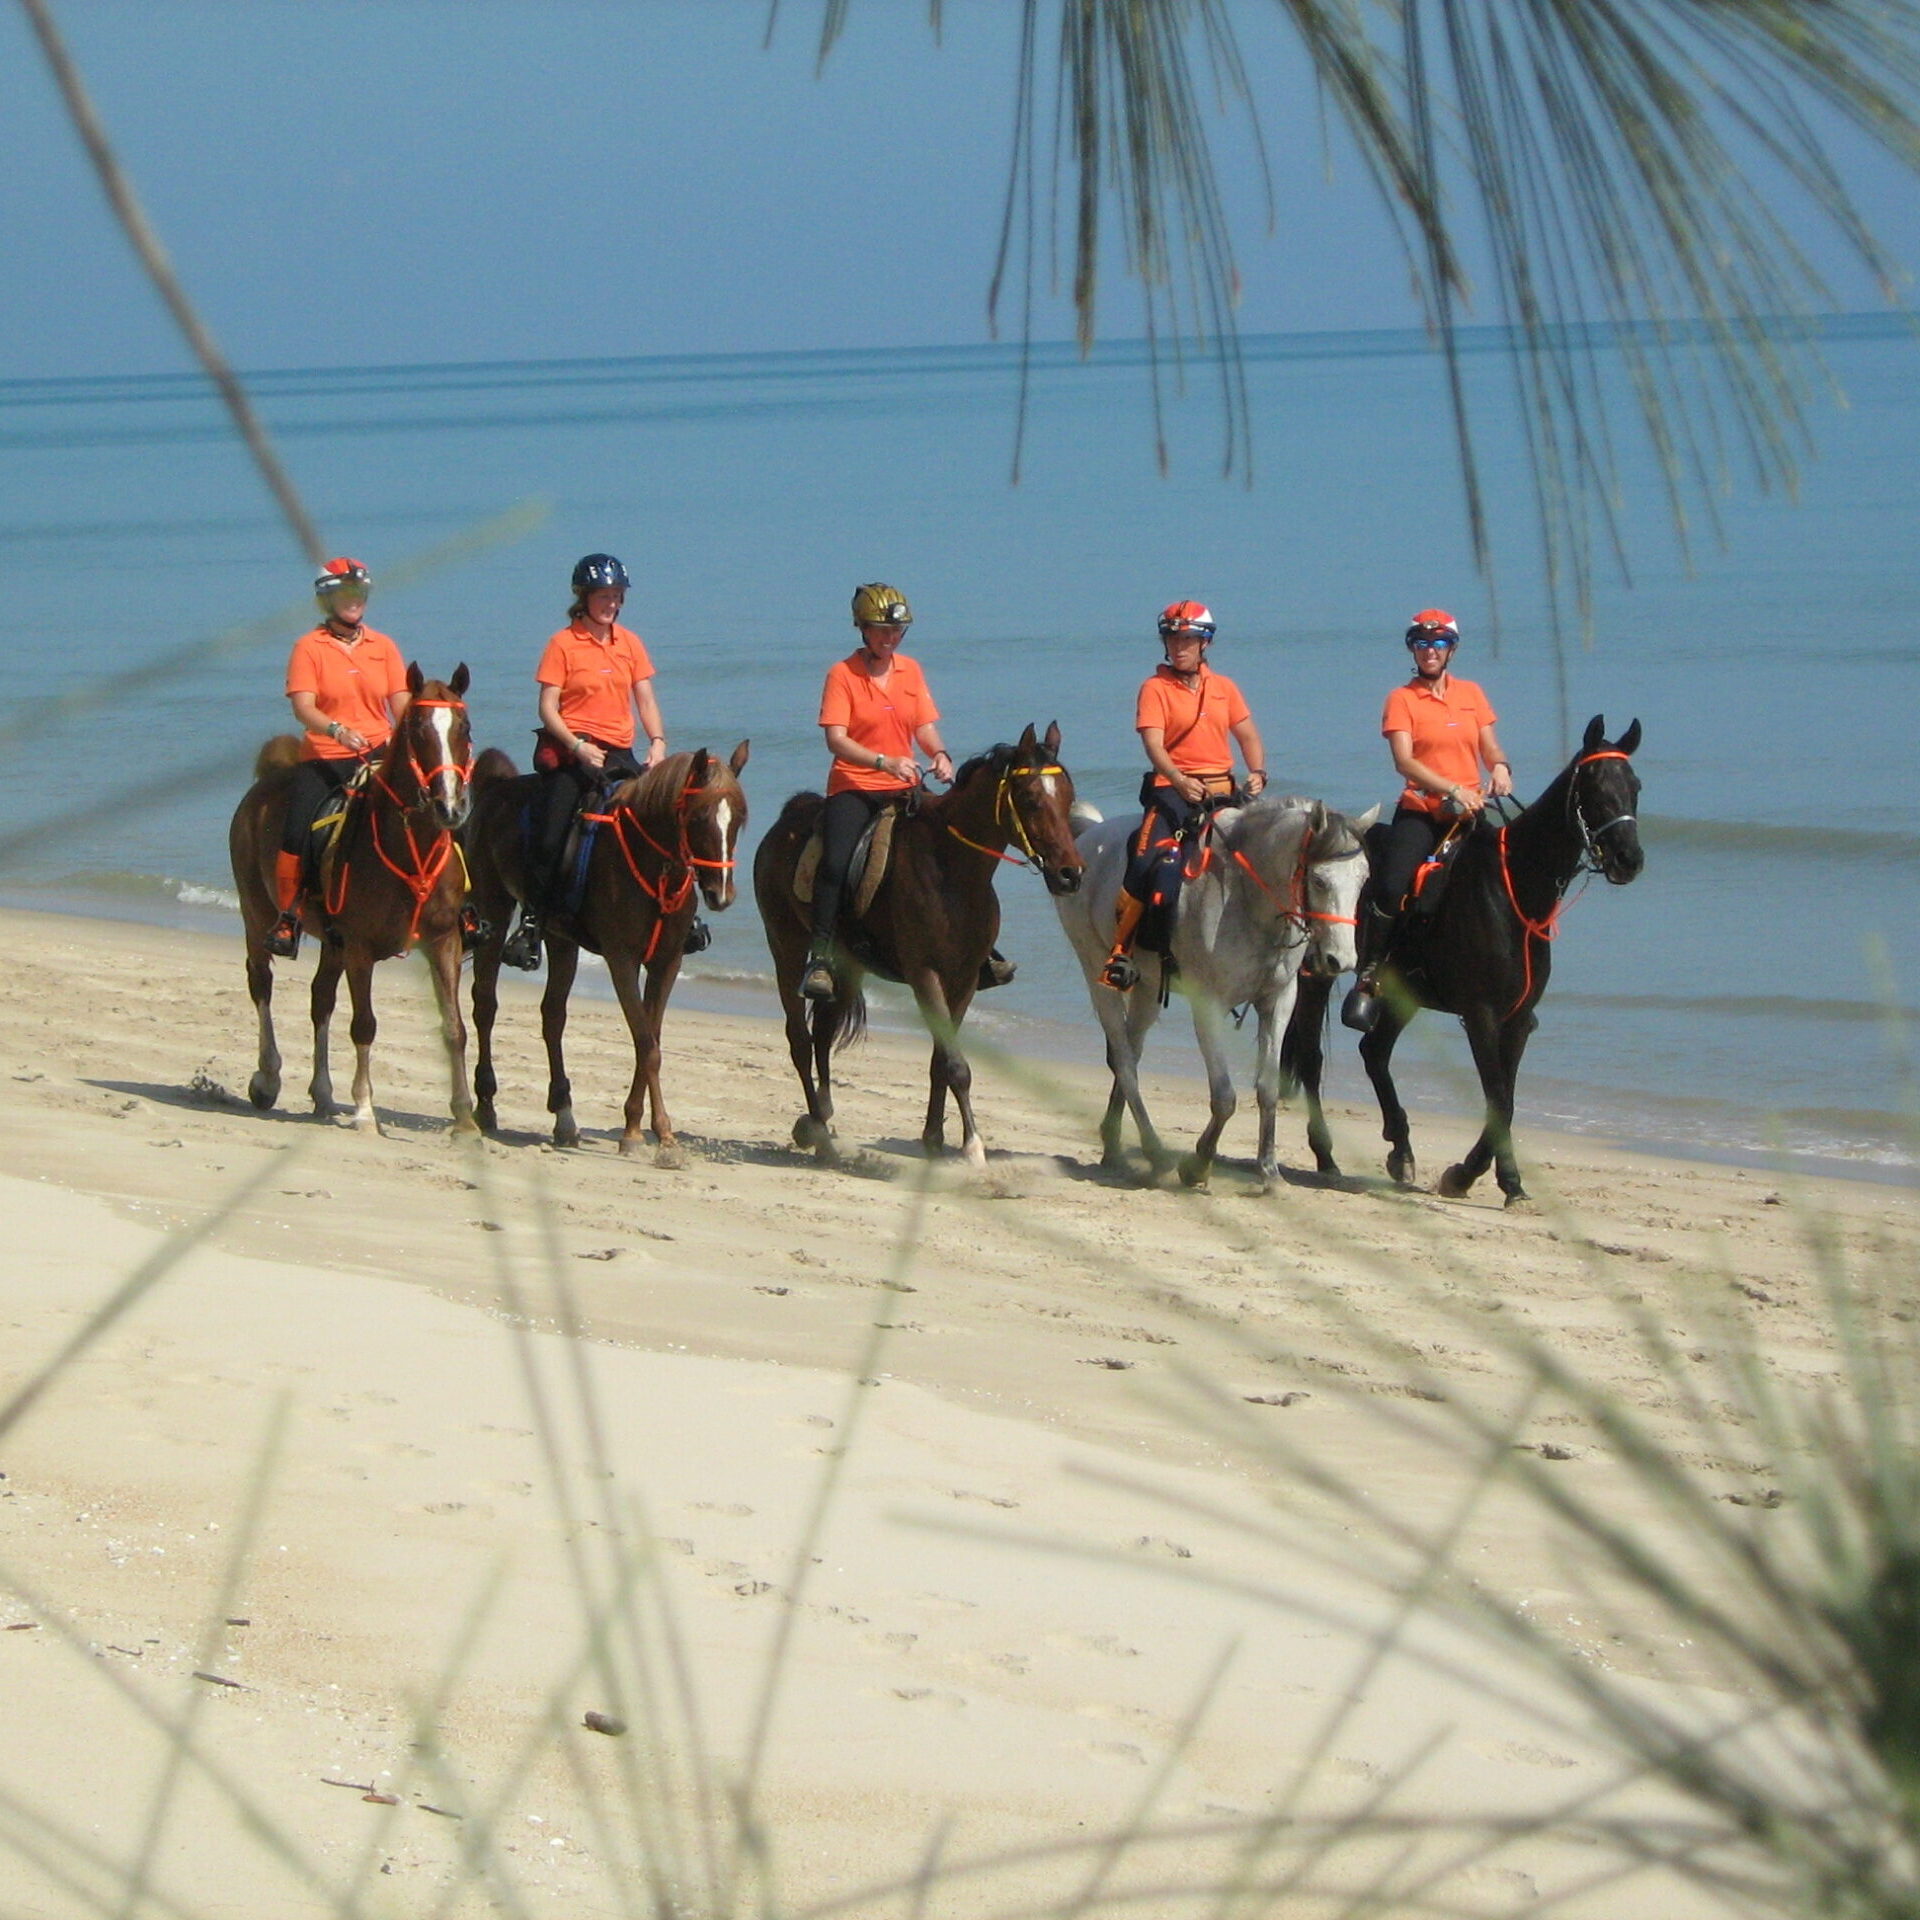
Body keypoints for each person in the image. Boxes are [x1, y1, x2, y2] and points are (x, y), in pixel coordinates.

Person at [1340, 608, 1513, 1032]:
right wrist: (1452, 789)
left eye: (1437, 644)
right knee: (1392, 885)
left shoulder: (1471, 693)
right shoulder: (1401, 699)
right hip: (1423, 811)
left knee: (1506, 879)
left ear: (1451, 649)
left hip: (1470, 813)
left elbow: (1489, 746)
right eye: (1421, 643)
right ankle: (1370, 974)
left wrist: (1501, 767)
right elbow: (1405, 760)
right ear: (1413, 650)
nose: (1429, 651)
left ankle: (1511, 978)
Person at [501, 553, 674, 969]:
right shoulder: (562, 643)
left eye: (616, 596)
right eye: (603, 596)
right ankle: (532, 922)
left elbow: (645, 697)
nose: (611, 603)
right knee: (550, 830)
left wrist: (658, 741)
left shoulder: (630, 643)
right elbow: (547, 707)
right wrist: (577, 746)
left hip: (619, 751)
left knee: (664, 820)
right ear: (584, 597)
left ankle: (679, 917)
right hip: (573, 750)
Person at [1099, 600, 1268, 990]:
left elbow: (1248, 736)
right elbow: (1154, 744)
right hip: (1172, 791)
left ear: (1204, 643)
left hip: (1223, 791)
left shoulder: (1225, 688)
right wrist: (1177, 778)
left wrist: (1257, 773)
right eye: (1173, 638)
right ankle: (1121, 952)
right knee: (1147, 863)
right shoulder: (1154, 688)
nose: (1179, 646)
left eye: (1188, 639)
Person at [799, 583, 955, 1001]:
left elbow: (923, 725)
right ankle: (820, 957)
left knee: (950, 849)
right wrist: (883, 762)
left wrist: (938, 753)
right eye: (881, 630)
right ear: (862, 629)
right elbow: (836, 739)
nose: (890, 638)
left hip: (904, 787)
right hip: (856, 785)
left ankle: (974, 946)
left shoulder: (911, 671)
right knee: (834, 864)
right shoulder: (842, 674)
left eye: (897, 631)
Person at [269, 557, 410, 957]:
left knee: (431, 816)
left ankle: (457, 910)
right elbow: (304, 707)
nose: (354, 601)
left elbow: (402, 706)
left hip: (380, 754)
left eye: (359, 593)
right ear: (327, 599)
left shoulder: (384, 647)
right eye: (345, 594)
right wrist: (335, 730)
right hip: (327, 756)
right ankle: (290, 915)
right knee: (299, 831)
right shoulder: (308, 648)